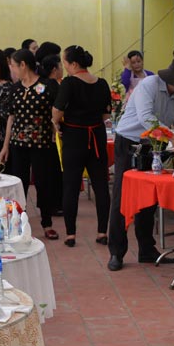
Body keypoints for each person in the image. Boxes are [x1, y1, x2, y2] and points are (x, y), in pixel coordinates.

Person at [106, 56, 174, 270]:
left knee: (149, 199)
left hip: (153, 145)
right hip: (129, 142)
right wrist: (173, 139)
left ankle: (147, 249)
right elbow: (147, 117)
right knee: (122, 197)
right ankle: (116, 252)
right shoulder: (149, 85)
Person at [53, 45, 112, 247]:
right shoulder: (102, 83)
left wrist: (56, 123)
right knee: (101, 185)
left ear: (74, 64)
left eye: (65, 63)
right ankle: (102, 231)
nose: (65, 66)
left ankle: (71, 234)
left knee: (70, 185)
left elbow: (57, 111)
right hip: (96, 135)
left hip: (74, 137)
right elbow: (106, 115)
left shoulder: (69, 83)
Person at [0, 49, 60, 238]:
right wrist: (6, 145)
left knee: (43, 183)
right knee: (19, 183)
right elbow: (11, 118)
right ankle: (19, 222)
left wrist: (55, 133)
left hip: (42, 144)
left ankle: (47, 223)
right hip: (18, 145)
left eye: (14, 66)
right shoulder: (15, 88)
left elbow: (55, 114)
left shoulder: (48, 85)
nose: (13, 70)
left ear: (23, 65)